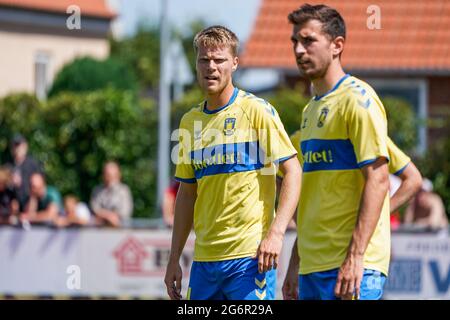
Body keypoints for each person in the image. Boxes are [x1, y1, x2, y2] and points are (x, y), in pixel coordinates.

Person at [164, 25, 301, 300]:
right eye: (204, 60)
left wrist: (276, 234)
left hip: (250, 260)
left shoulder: (256, 111)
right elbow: (187, 194)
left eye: (219, 60)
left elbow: (293, 172)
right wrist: (174, 257)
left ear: (235, 63)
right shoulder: (189, 123)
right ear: (196, 64)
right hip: (204, 262)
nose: (211, 67)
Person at [283, 4, 392, 300]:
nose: (299, 50)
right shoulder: (310, 110)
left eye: (308, 40)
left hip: (354, 269)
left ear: (337, 45)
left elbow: (379, 180)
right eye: (295, 41)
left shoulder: (358, 100)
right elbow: (312, 199)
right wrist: (295, 261)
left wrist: (356, 257)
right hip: (312, 267)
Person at [90, 161, 133, 228]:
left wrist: (109, 216)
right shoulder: (97, 190)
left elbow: (125, 212)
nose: (108, 178)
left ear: (118, 175)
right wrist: (109, 216)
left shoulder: (124, 190)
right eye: (106, 174)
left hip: (120, 230)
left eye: (111, 175)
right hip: (99, 229)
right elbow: (95, 209)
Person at [8, 134, 43, 212]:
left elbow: (40, 187)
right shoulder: (8, 165)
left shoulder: (33, 164)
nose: (17, 148)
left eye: (19, 145)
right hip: (13, 205)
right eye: (15, 146)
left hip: (31, 204)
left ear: (25, 146)